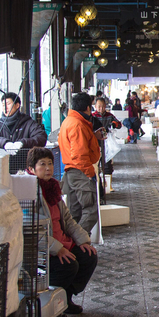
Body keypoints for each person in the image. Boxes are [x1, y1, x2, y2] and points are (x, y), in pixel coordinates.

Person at [26, 147, 97, 315]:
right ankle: (51, 302)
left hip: (63, 242)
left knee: (88, 256)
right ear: (31, 169)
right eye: (42, 164)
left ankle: (66, 297)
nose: (48, 168)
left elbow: (67, 220)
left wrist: (83, 240)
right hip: (44, 250)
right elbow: (33, 231)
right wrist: (58, 249)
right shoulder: (29, 193)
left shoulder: (53, 189)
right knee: (69, 265)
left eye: (50, 163)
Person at [58, 93, 103, 234]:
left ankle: (73, 246)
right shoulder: (78, 125)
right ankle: (79, 241)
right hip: (80, 172)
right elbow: (79, 155)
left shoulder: (70, 121)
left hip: (71, 172)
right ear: (88, 107)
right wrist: (90, 173)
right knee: (91, 211)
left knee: (74, 213)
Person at [93, 97, 122, 192]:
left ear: (105, 106)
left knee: (107, 164)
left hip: (107, 143)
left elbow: (119, 124)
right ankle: (98, 186)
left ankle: (108, 185)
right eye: (99, 106)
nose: (101, 109)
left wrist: (115, 124)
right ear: (95, 106)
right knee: (96, 164)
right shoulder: (92, 117)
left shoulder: (109, 115)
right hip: (95, 144)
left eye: (102, 106)